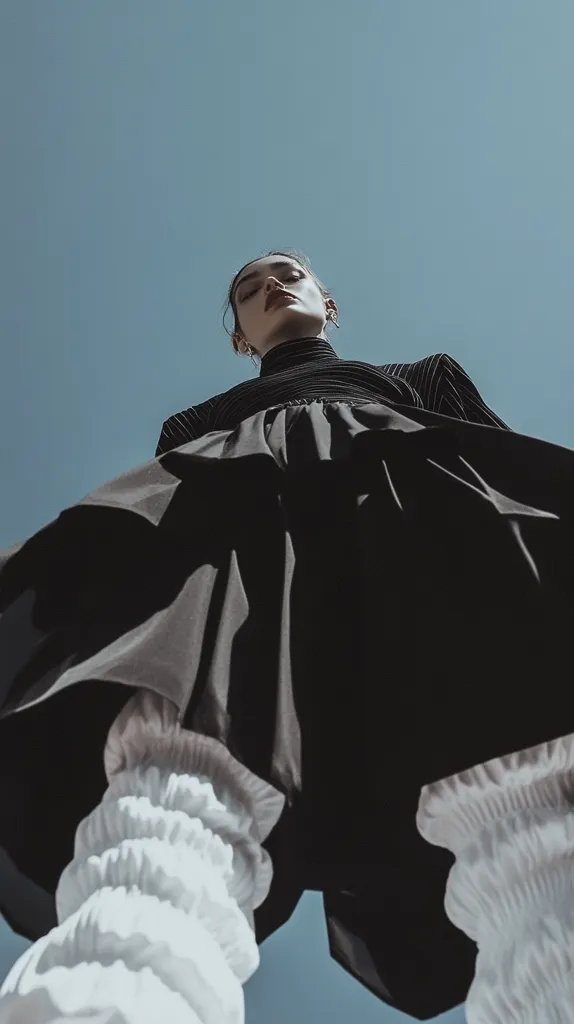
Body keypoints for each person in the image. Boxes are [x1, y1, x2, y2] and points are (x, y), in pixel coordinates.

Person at [0, 249, 573, 1022]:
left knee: (533, 807)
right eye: (247, 289)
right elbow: (160, 522)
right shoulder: (199, 427)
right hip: (241, 560)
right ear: (241, 336)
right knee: (176, 785)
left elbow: (501, 474)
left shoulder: (423, 377)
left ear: (327, 302)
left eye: (287, 273)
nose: (270, 285)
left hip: (427, 534)